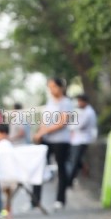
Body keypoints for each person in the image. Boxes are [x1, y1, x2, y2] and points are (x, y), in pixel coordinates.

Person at [32, 76, 75, 211]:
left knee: (61, 169)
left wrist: (44, 131)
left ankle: (60, 200)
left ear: (61, 87)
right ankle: (35, 200)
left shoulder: (66, 103)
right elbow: (45, 120)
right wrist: (40, 132)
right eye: (50, 88)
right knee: (38, 167)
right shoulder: (50, 102)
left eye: (54, 87)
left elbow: (62, 123)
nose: (52, 90)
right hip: (47, 140)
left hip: (61, 141)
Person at [70, 93, 98, 183]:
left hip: (83, 140)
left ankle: (70, 180)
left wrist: (71, 126)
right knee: (76, 159)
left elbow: (80, 125)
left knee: (75, 160)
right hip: (78, 139)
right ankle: (83, 169)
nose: (78, 103)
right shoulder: (84, 111)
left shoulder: (89, 112)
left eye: (80, 101)